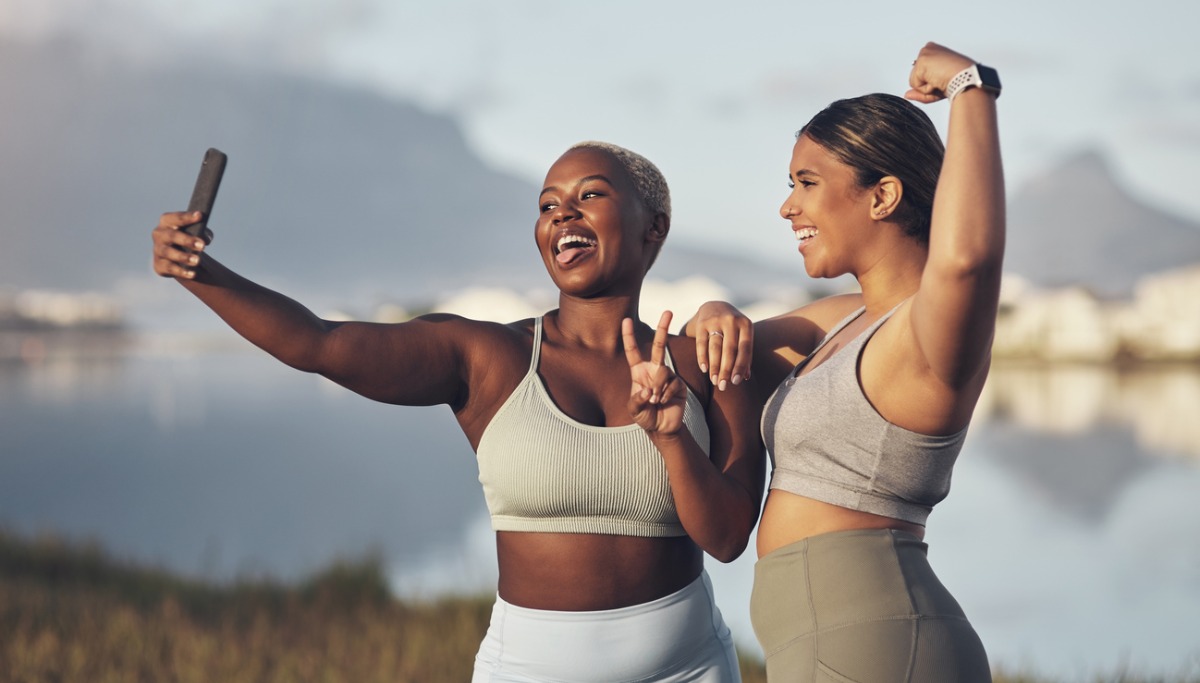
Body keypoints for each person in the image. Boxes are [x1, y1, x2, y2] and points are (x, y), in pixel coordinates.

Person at [151, 141, 764, 682]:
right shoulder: (486, 357)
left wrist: (673, 439)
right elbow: (320, 344)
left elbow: (731, 537)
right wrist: (200, 273)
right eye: (548, 205)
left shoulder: (710, 360)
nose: (562, 215)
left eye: (590, 195)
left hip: (687, 668)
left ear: (652, 228)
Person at [687, 42, 1002, 681]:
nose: (787, 206)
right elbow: (716, 351)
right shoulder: (845, 318)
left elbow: (966, 258)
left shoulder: (930, 334)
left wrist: (971, 88)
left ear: (883, 195)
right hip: (833, 645)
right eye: (790, 185)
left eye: (807, 183)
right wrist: (716, 308)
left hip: (882, 648)